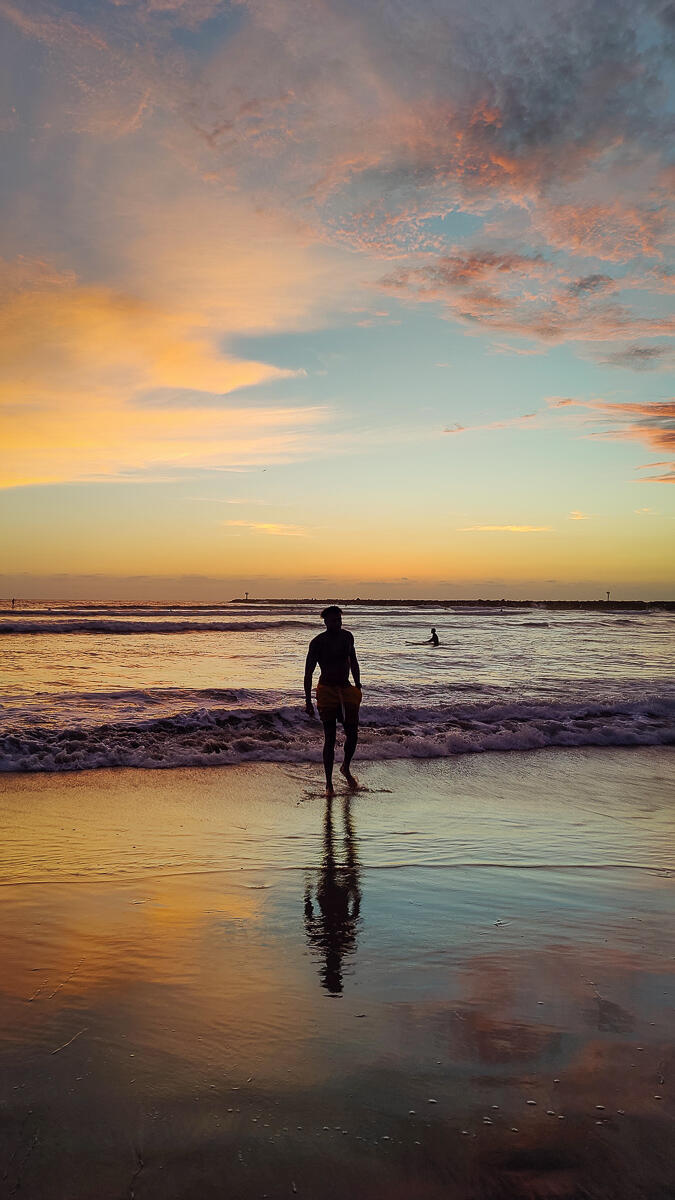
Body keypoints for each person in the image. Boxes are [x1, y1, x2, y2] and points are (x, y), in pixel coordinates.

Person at [304, 605, 362, 795]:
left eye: (340, 619)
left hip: (346, 689)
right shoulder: (318, 642)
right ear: (326, 622)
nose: (338, 623)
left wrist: (358, 684)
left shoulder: (347, 637)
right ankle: (329, 783)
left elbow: (353, 661)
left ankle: (345, 766)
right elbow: (308, 672)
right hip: (327, 690)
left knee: (352, 733)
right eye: (334, 620)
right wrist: (307, 701)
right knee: (330, 737)